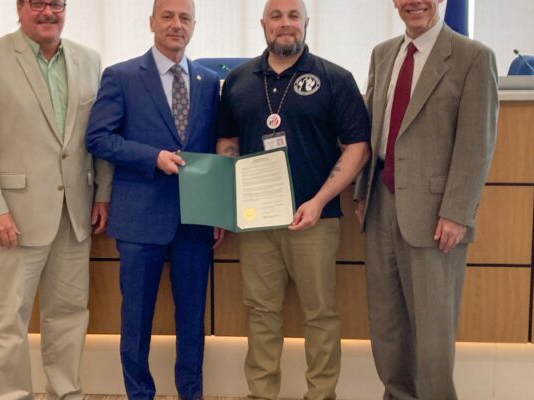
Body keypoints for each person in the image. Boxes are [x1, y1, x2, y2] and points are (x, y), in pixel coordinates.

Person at [0, 1, 113, 399]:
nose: (48, 12)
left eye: (56, 4)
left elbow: (99, 135)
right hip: (14, 217)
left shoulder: (89, 60)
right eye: (38, 3)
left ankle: (66, 392)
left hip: (75, 213)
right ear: (20, 8)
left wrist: (103, 195)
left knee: (69, 316)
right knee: (11, 320)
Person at [217, 0, 370, 398]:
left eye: (293, 17)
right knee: (260, 314)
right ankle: (261, 393)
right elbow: (227, 142)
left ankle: (320, 395)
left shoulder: (335, 78)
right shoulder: (237, 80)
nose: (285, 24)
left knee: (320, 315)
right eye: (276, 16)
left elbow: (358, 147)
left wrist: (319, 200)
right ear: (263, 24)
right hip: (256, 221)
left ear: (306, 23)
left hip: (315, 219)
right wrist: (232, 190)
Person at [354, 1, 498, 399]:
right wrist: (361, 191)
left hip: (437, 216)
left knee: (433, 335)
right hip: (381, 202)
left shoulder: (473, 57)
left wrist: (457, 212)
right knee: (387, 327)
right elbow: (373, 127)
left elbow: (476, 143)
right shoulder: (383, 54)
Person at [85, 0, 220, 398]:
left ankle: (190, 393)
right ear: (151, 23)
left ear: (194, 25)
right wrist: (151, 157)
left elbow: (213, 147)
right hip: (139, 218)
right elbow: (98, 138)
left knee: (193, 319)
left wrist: (217, 209)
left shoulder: (209, 81)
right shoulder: (122, 76)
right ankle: (139, 394)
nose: (176, 25)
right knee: (136, 319)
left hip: (195, 220)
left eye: (184, 18)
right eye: (168, 16)